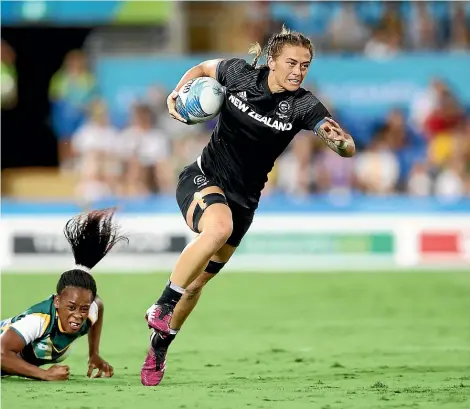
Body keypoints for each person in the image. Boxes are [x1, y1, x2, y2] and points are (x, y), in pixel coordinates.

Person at [141, 26, 356, 386]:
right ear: (271, 61)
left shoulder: (303, 105)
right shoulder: (239, 74)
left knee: (194, 288)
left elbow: (344, 144)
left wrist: (341, 142)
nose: (298, 71)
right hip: (201, 177)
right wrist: (177, 93)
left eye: (305, 65)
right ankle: (161, 305)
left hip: (244, 202)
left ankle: (159, 346)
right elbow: (203, 68)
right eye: (291, 63)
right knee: (217, 228)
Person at [0, 209, 127, 381]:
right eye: (71, 307)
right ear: (57, 301)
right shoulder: (39, 320)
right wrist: (45, 375)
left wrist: (94, 354)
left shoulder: (91, 309)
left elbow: (99, 305)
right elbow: (2, 354)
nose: (77, 315)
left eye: (84, 308)